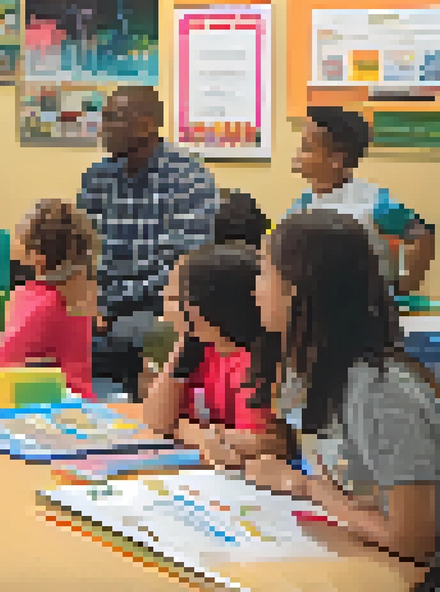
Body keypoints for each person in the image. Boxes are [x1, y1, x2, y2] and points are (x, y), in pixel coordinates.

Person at [246, 209, 438, 566]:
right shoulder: (302, 369)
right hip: (357, 550)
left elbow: (413, 540)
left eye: (263, 272)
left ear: (297, 288)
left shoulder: (384, 391)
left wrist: (306, 487)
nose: (254, 288)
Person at [78, 85, 219, 401]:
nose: (103, 129)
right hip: (102, 300)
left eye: (113, 119)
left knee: (139, 330)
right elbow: (82, 251)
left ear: (146, 125)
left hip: (157, 304)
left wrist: (109, 304)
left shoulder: (188, 178)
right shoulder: (97, 178)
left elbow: (183, 266)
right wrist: (87, 298)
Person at [142, 242, 284, 467]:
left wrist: (188, 429)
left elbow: (251, 447)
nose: (165, 308)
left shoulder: (256, 361)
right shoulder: (201, 348)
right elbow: (156, 422)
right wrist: (182, 351)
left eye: (174, 299)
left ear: (209, 307)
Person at [288, 106, 434, 295]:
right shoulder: (303, 204)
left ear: (336, 159)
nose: (298, 155)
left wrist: (401, 288)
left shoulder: (374, 203)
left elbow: (423, 236)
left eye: (307, 148)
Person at [0, 199, 98, 400]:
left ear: (37, 256)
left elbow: (2, 367)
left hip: (42, 408)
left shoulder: (38, 302)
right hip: (79, 402)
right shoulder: (77, 291)